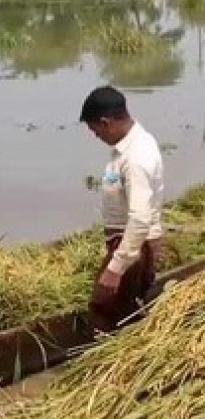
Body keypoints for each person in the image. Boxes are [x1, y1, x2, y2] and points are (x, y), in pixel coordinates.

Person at [80, 85, 164, 333]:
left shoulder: (136, 158)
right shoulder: (132, 146)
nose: (97, 137)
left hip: (133, 247)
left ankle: (109, 362)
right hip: (132, 245)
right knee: (124, 307)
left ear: (106, 122)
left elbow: (139, 219)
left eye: (95, 131)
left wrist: (115, 269)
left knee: (104, 307)